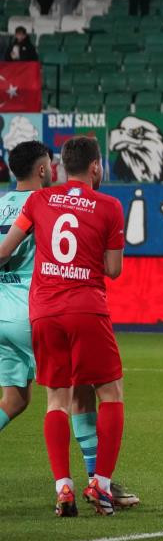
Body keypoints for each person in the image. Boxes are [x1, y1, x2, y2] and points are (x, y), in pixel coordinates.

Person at [0, 136, 126, 516]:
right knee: (103, 393)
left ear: (61, 168)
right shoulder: (107, 205)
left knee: (34, 400)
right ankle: (100, 484)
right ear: (95, 166)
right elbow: (113, 269)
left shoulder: (34, 202)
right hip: (74, 307)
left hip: (33, 312)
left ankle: (64, 489)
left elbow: (4, 252)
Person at [0, 141, 51, 434]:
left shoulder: (1, 203)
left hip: (2, 311)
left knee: (15, 400)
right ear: (41, 169)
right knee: (76, 392)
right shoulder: (43, 204)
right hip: (30, 311)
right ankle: (97, 477)